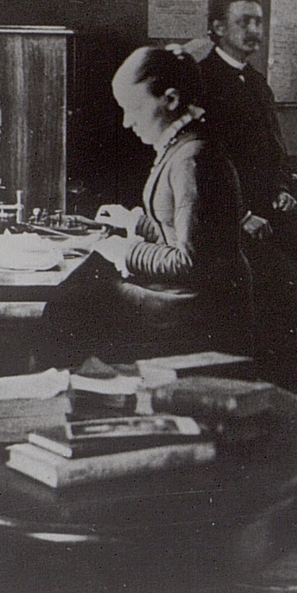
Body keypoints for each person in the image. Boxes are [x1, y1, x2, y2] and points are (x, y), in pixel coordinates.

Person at [39, 46, 253, 365]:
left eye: (134, 109)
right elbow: (179, 228)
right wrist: (134, 222)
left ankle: (64, 383)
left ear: (171, 99)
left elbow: (188, 260)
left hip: (199, 308)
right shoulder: (181, 146)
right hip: (191, 295)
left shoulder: (192, 159)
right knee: (82, 287)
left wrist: (126, 251)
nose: (127, 122)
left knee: (72, 303)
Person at [196, 0, 297, 357]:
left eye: (258, 22)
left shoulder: (257, 83)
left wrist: (284, 187)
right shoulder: (202, 81)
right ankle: (275, 367)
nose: (254, 30)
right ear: (218, 28)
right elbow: (203, 164)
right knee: (286, 277)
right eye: (243, 22)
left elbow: (275, 151)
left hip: (270, 210)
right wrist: (241, 215)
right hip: (229, 221)